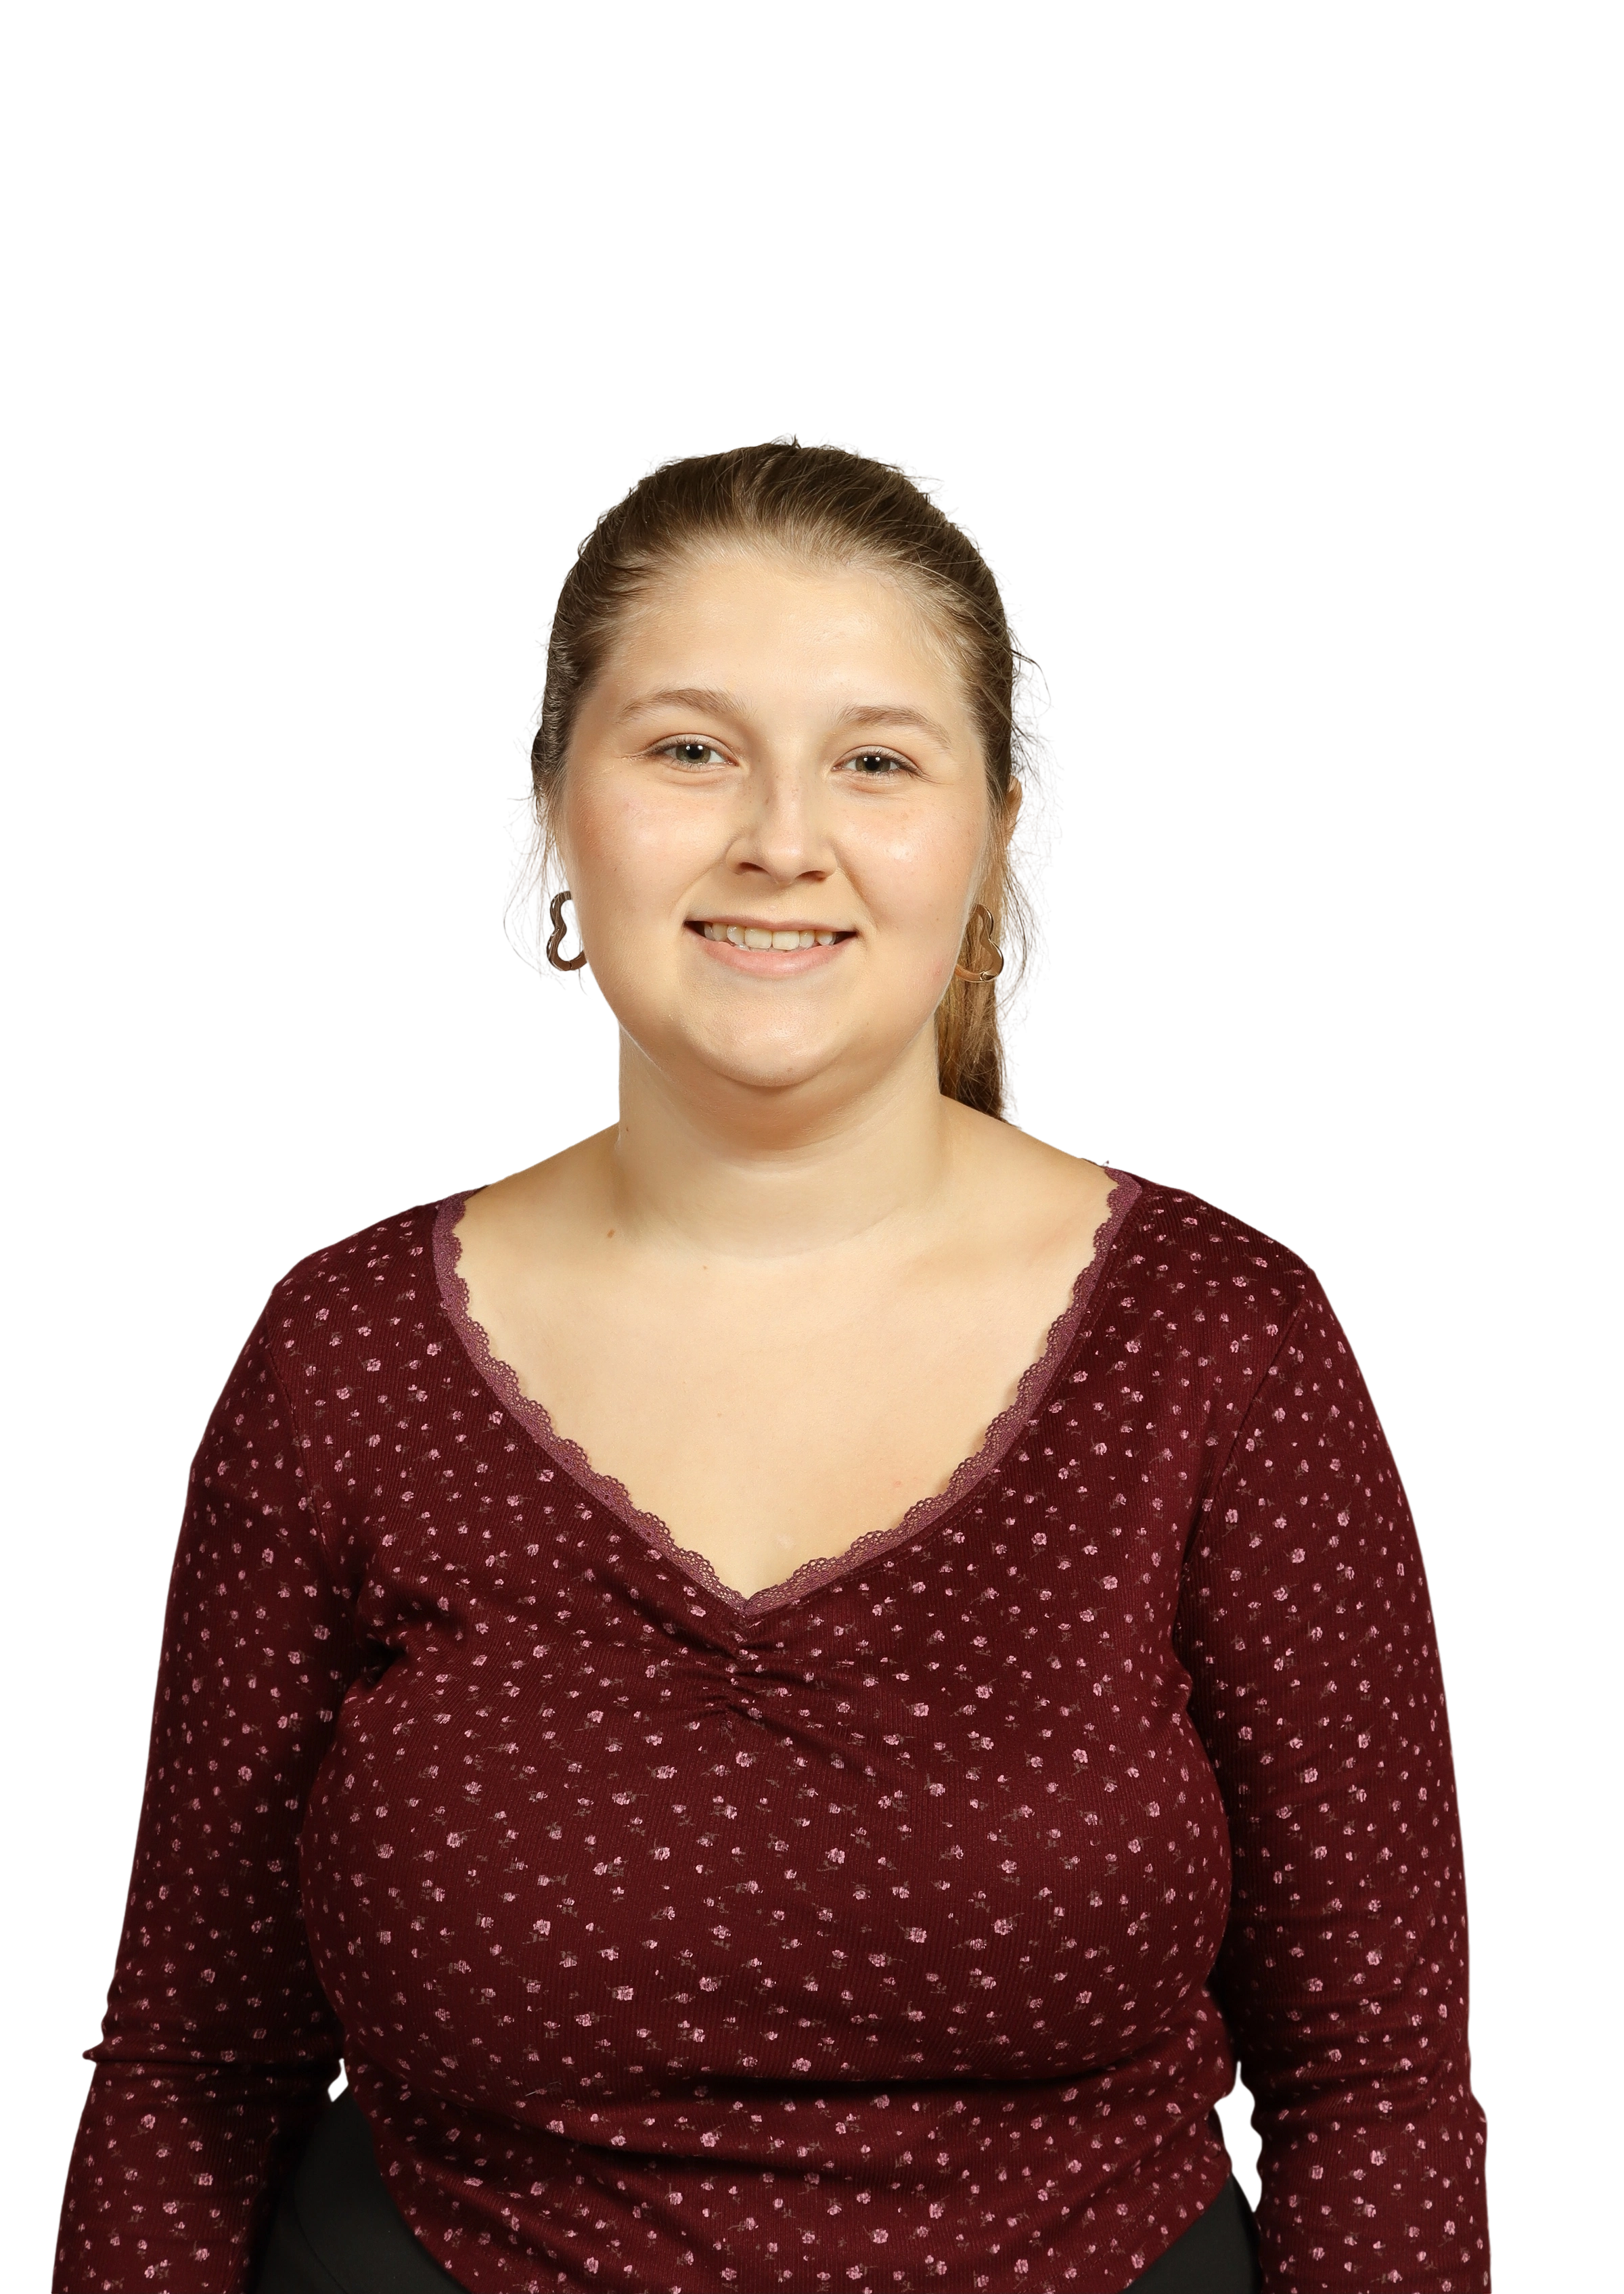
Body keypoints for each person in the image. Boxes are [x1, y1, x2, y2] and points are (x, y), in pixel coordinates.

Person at [50, 430, 1491, 2294]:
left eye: (876, 761)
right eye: (689, 750)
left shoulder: (1223, 1342)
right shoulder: (342, 1355)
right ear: (552, 817)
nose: (781, 841)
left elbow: (1373, 2085)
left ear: (997, 835)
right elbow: (189, 2069)